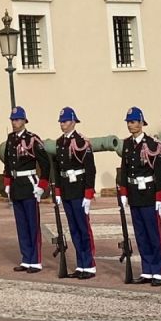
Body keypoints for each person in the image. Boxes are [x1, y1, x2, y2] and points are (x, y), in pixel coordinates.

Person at [117, 107, 161, 284]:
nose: (130, 125)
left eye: (133, 122)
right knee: (140, 234)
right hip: (134, 193)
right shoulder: (127, 144)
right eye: (128, 122)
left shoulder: (153, 144)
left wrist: (160, 197)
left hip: (149, 192)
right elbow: (124, 170)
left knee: (153, 233)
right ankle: (147, 270)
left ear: (141, 123)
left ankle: (158, 271)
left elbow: (159, 173)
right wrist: (123, 193)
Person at [0, 107, 50, 273]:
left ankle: (35, 260)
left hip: (29, 184)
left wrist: (42, 185)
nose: (14, 123)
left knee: (32, 224)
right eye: (13, 120)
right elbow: (8, 163)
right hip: (16, 184)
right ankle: (26, 258)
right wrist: (7, 182)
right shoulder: (10, 139)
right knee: (21, 225)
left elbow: (45, 163)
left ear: (24, 121)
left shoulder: (33, 139)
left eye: (17, 120)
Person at [52, 107, 96, 279]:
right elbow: (58, 168)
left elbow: (90, 169)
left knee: (83, 228)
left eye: (65, 121)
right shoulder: (59, 142)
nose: (62, 124)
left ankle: (89, 265)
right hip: (67, 190)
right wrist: (57, 191)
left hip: (79, 188)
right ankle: (80, 264)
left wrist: (88, 194)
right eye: (61, 122)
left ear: (73, 122)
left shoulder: (81, 142)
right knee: (74, 229)